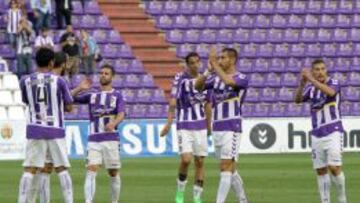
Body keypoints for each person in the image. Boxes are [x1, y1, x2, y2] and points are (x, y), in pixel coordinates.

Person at [17, 47, 74, 203]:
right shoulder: (59, 81)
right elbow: (69, 107)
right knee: (62, 169)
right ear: (51, 62)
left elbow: (26, 101)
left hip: (35, 129)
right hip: (55, 129)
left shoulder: (25, 80)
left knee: (30, 169)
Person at [195, 47, 249, 203]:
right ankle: (243, 199)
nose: (219, 61)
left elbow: (230, 82)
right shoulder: (215, 78)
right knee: (230, 170)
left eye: (223, 58)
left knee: (225, 167)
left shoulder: (242, 77)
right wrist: (207, 70)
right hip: (217, 126)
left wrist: (214, 65)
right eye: (218, 58)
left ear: (232, 60)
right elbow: (197, 87)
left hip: (232, 126)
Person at [160, 52, 212, 203]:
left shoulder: (206, 80)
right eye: (192, 62)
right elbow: (173, 100)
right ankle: (180, 193)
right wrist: (169, 123)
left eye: (197, 61)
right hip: (184, 124)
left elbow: (208, 104)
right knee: (186, 159)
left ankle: (197, 197)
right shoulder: (180, 78)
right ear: (187, 65)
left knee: (200, 162)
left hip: (201, 125)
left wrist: (209, 126)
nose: (196, 65)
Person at [294, 59, 347, 203]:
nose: (320, 72)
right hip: (317, 133)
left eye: (323, 68)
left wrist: (310, 79)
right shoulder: (311, 90)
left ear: (326, 70)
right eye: (316, 69)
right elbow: (297, 100)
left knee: (334, 167)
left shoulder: (333, 83)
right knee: (321, 170)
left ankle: (342, 199)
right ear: (313, 71)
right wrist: (302, 83)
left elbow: (330, 92)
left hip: (333, 130)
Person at [71, 64, 125, 203]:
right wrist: (79, 88)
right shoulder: (92, 95)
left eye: (106, 73)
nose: (103, 75)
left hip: (111, 139)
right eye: (101, 73)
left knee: (113, 172)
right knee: (91, 170)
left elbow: (121, 114)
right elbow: (69, 98)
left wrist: (113, 123)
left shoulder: (117, 95)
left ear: (112, 77)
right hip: (94, 139)